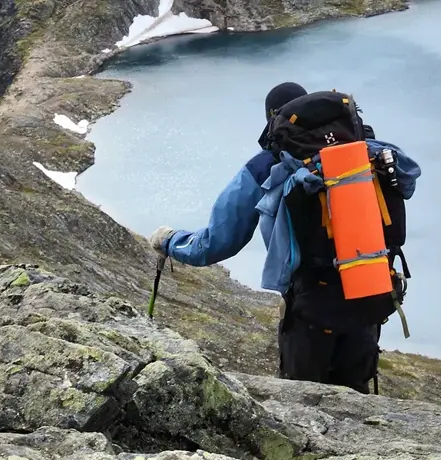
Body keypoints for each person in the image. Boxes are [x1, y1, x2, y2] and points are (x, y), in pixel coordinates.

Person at [149, 82, 419, 392]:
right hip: (370, 297)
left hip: (311, 310)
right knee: (357, 395)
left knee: (302, 402)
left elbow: (216, 243)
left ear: (272, 121)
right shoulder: (363, 151)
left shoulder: (267, 165)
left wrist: (169, 240)